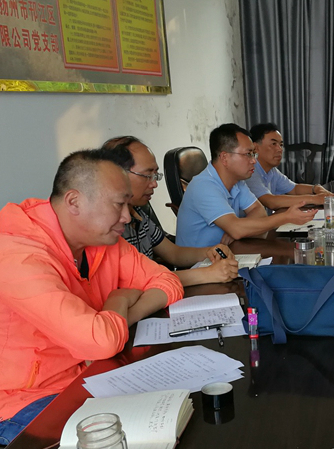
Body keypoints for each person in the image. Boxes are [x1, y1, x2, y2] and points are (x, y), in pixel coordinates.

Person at [0, 150, 183, 443]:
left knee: (179, 411)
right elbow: (100, 343)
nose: (127, 217)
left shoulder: (101, 238)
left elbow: (168, 282)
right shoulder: (16, 255)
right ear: (74, 201)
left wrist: (123, 315)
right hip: (25, 401)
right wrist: (118, 301)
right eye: (119, 204)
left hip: (89, 377)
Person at [102, 136, 240, 286]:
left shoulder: (138, 213)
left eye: (155, 175)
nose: (154, 184)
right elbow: (137, 281)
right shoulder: (108, 228)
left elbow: (174, 254)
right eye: (147, 175)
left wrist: (209, 251)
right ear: (118, 175)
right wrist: (207, 274)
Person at [176, 123, 316, 248]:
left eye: (253, 154)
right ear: (224, 157)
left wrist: (240, 229)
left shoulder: (237, 181)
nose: (254, 161)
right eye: (248, 154)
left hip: (230, 253)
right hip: (200, 264)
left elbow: (259, 211)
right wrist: (285, 217)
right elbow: (237, 229)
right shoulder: (204, 187)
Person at [245, 123, 334, 213]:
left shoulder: (272, 171)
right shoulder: (250, 171)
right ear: (255, 148)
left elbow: (294, 188)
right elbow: (271, 202)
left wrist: (316, 188)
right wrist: (315, 199)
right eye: (273, 144)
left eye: (281, 145)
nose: (280, 149)